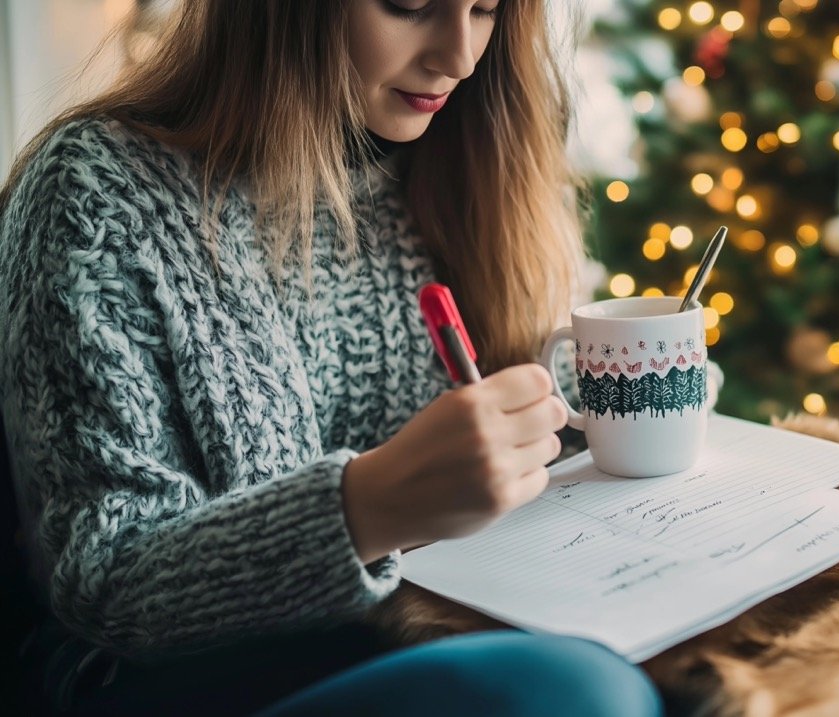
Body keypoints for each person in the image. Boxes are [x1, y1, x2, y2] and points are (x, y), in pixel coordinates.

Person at [0, 1, 665, 715]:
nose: (461, 57)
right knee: (577, 694)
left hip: (446, 630)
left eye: (486, 9)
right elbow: (103, 582)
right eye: (411, 4)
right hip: (190, 686)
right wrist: (366, 507)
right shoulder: (98, 191)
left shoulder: (472, 162)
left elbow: (541, 388)